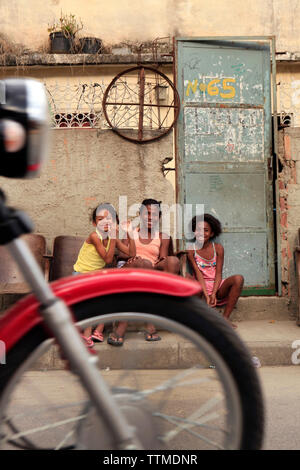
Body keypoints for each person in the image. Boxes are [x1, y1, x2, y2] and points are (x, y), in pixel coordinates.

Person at [107, 198, 180, 346]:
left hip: (149, 272)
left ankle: (163, 303)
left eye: (154, 214)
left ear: (158, 217)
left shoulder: (162, 237)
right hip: (130, 269)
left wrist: (160, 261)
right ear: (140, 215)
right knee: (143, 263)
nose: (150, 217)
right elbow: (121, 253)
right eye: (146, 213)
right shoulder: (131, 232)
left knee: (173, 261)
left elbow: (163, 258)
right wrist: (133, 258)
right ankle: (129, 323)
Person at [73, 203, 135, 347]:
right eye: (100, 219)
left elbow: (132, 253)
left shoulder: (113, 238)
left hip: (95, 277)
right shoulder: (94, 236)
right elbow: (107, 259)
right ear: (95, 223)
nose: (105, 222)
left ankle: (98, 330)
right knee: (93, 298)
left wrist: (130, 234)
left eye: (109, 219)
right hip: (81, 275)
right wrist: (113, 237)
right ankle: (86, 334)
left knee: (111, 293)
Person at [187, 213, 244, 329]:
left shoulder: (218, 248)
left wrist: (213, 293)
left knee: (239, 279)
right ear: (194, 232)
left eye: (206, 230)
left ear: (212, 233)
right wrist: (207, 295)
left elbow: (218, 273)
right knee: (190, 281)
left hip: (217, 286)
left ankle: (225, 318)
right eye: (198, 230)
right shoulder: (191, 250)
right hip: (201, 288)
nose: (202, 233)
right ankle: (197, 319)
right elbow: (198, 274)